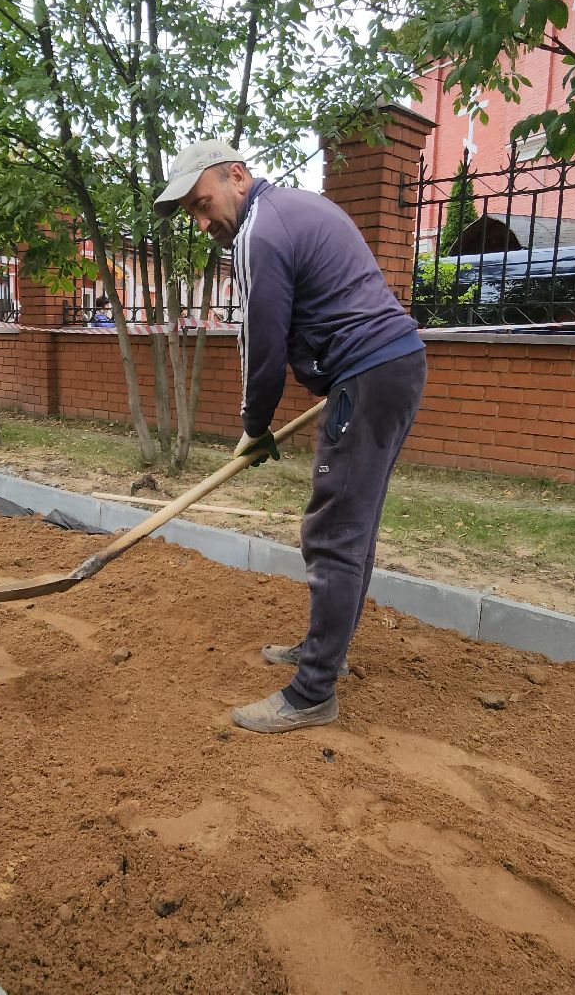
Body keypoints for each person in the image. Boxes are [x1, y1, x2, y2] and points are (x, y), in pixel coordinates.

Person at [155, 138, 427, 734]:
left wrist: (253, 428)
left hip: (370, 373)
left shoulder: (261, 233)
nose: (202, 222)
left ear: (237, 176)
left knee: (333, 532)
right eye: (193, 213)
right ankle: (325, 652)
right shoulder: (294, 207)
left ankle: (312, 692)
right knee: (353, 526)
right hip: (390, 367)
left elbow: (263, 345)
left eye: (202, 203)